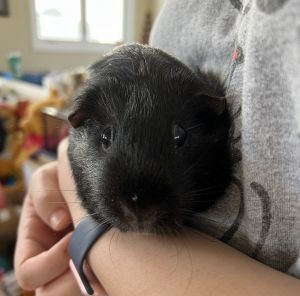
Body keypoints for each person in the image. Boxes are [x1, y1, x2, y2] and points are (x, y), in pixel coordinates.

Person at [14, 0, 300, 295]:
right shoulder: (178, 14)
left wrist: (88, 240)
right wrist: (61, 173)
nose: (138, 206)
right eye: (106, 138)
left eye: (178, 138)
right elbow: (82, 137)